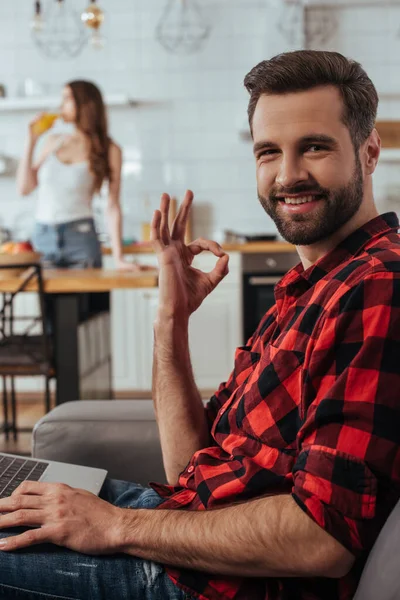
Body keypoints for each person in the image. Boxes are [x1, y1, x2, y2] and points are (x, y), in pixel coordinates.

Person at [0, 50, 399, 600]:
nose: (288, 175)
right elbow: (189, 464)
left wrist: (114, 526)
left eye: (313, 146)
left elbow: (321, 538)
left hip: (200, 580)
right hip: (175, 529)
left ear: (369, 150)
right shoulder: (311, 285)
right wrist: (172, 318)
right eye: (268, 152)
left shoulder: (376, 287)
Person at [16, 80, 138, 271]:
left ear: (85, 104)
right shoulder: (53, 141)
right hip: (43, 238)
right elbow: (24, 189)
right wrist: (31, 141)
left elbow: (112, 206)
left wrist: (119, 257)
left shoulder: (109, 149)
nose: (60, 105)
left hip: (80, 237)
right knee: (50, 302)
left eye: (66, 99)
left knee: (86, 301)